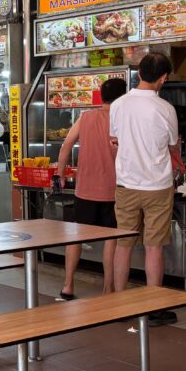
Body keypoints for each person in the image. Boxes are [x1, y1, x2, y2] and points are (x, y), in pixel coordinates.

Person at [110, 52, 180, 326]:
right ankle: (154, 306)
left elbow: (114, 139)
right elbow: (173, 144)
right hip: (158, 186)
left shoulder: (118, 105)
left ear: (138, 73)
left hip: (126, 183)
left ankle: (119, 303)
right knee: (154, 248)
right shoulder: (165, 109)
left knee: (123, 244)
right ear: (162, 78)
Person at [55, 77, 128, 300]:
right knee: (110, 238)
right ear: (123, 97)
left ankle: (68, 286)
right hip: (113, 189)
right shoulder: (123, 119)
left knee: (77, 235)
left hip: (84, 188)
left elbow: (66, 144)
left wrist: (60, 173)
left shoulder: (86, 117)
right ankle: (108, 289)